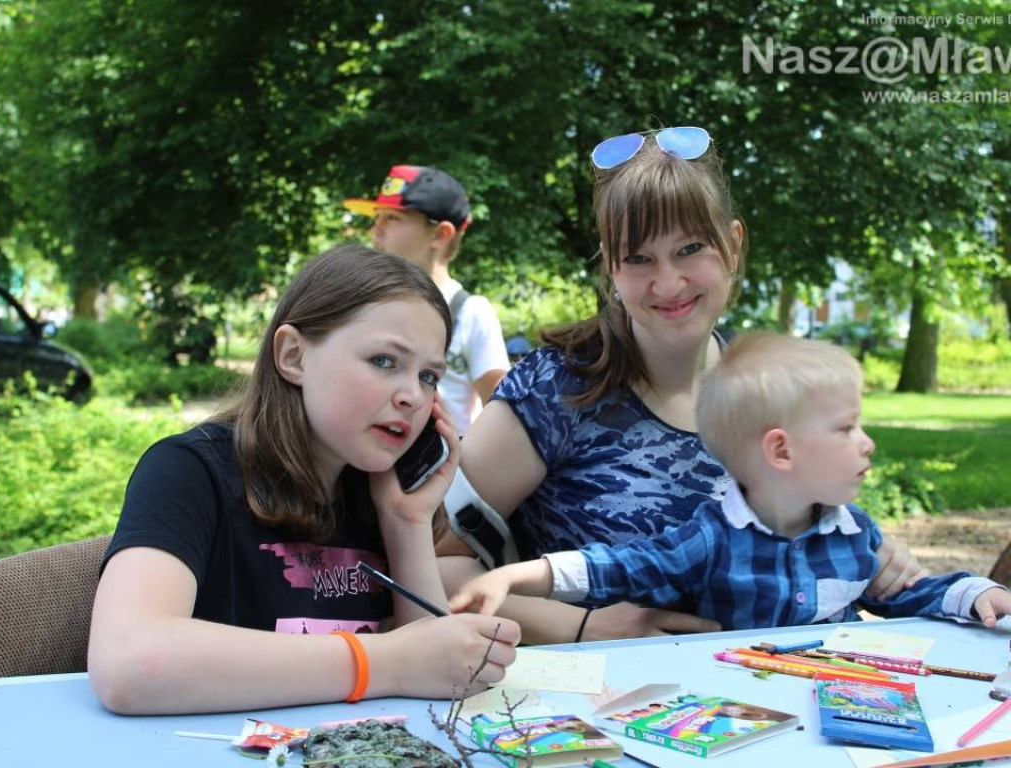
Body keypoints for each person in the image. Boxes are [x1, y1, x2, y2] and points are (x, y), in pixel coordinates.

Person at [436, 127, 925, 644]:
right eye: (639, 258)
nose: (667, 284)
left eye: (690, 249)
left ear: (733, 245)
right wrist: (585, 627)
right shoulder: (555, 389)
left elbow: (809, 516)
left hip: (786, 696)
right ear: (611, 265)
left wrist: (874, 554)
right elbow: (435, 570)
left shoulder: (771, 379)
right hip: (613, 709)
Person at [88, 245, 520, 715]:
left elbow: (437, 677)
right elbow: (128, 662)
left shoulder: (376, 492)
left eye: (429, 375)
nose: (413, 396)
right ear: (293, 355)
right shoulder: (190, 470)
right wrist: (386, 663)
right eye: (383, 361)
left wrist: (406, 523)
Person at [448, 333, 1011, 631]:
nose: (868, 443)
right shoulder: (713, 536)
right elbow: (619, 565)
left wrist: (974, 594)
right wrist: (514, 578)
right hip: (731, 719)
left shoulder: (855, 535)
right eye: (847, 429)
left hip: (835, 714)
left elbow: (908, 597)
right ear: (781, 451)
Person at [344, 165, 510, 436]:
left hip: (449, 474)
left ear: (440, 234)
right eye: (377, 217)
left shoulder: (470, 312)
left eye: (392, 218)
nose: (376, 230)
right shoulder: (369, 305)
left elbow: (504, 411)